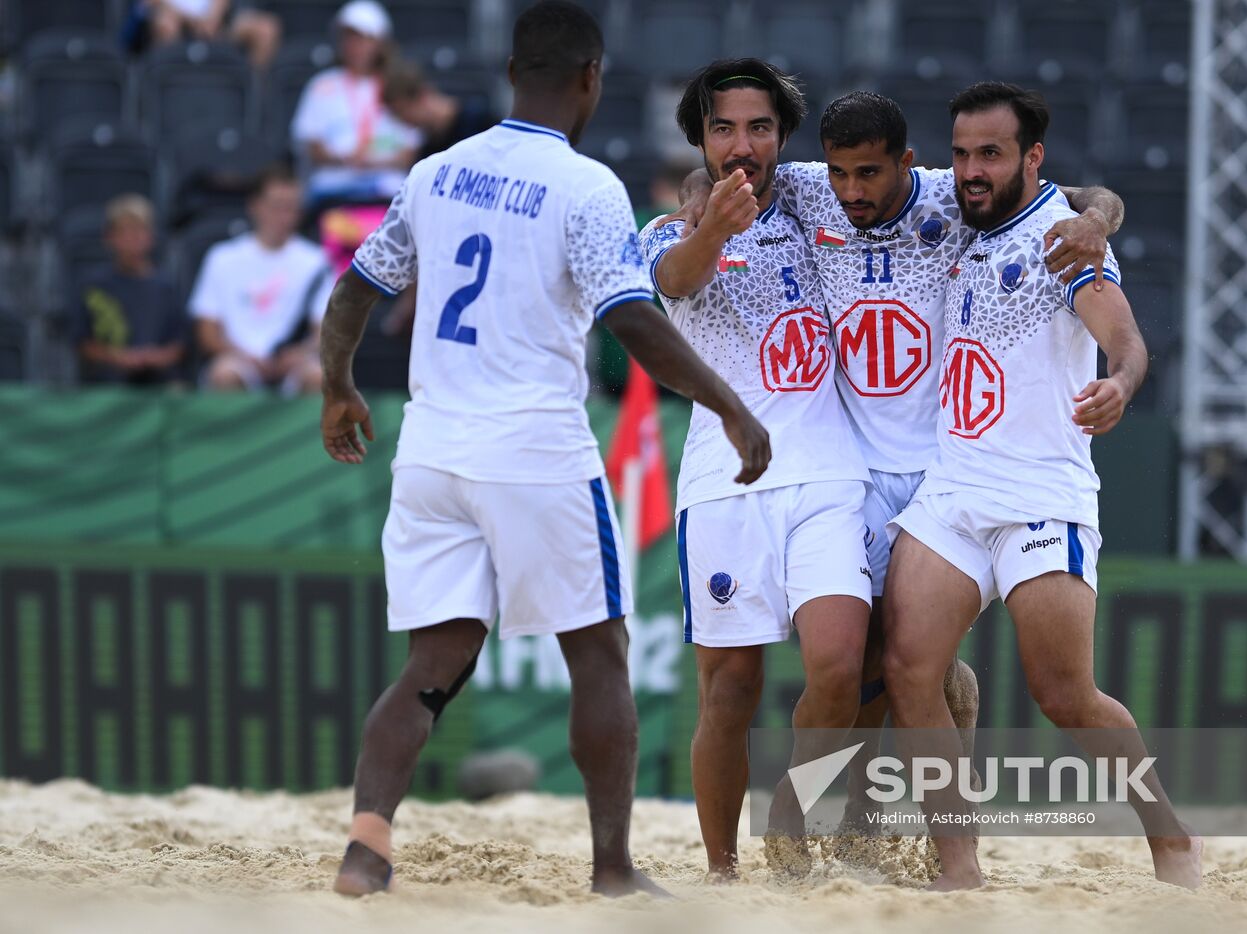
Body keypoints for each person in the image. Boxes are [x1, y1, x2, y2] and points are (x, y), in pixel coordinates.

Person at [317, 0, 770, 898]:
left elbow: (355, 289)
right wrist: (729, 405)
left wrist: (337, 386)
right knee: (597, 653)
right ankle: (612, 869)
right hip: (534, 452)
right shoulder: (585, 185)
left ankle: (367, 851)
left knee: (432, 661)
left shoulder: (436, 171)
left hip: (432, 449)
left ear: (514, 71)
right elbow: (634, 319)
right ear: (591, 78)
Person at [677, 90, 1124, 853]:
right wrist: (694, 194)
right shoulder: (817, 185)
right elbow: (728, 180)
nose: (854, 190)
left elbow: (1077, 197)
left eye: (870, 176)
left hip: (941, 467)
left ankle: (861, 817)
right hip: (852, 459)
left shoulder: (957, 191)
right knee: (864, 666)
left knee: (890, 661)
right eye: (844, 175)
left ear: (907, 165)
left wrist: (1101, 220)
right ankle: (863, 812)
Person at [881, 81, 1202, 890]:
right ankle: (960, 867)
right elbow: (1105, 195)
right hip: (954, 488)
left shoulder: (1067, 239)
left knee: (1065, 696)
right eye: (960, 154)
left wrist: (1122, 386)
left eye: (989, 154)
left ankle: (1169, 838)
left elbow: (1124, 337)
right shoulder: (955, 214)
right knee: (909, 669)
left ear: (1032, 158)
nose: (970, 170)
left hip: (1040, 494)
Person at [641, 58, 873, 882]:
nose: (743, 145)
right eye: (723, 128)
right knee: (729, 692)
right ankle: (722, 872)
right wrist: (710, 224)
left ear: (784, 133)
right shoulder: (671, 233)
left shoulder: (821, 190)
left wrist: (1099, 209)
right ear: (698, 138)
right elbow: (674, 280)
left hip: (830, 473)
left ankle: (793, 810)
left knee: (840, 668)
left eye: (760, 126)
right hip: (725, 482)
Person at [190, 165, 331, 393]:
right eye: (276, 206)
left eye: (292, 208)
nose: (284, 216)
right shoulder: (222, 258)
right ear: (254, 206)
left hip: (294, 363)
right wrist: (243, 356)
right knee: (223, 375)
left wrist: (299, 354)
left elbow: (324, 330)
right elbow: (207, 331)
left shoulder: (316, 261)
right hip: (237, 359)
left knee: (319, 378)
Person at [291, 0, 421, 204]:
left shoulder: (397, 85)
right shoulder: (321, 85)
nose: (355, 46)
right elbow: (311, 147)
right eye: (349, 37)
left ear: (380, 43)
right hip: (333, 193)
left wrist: (370, 162)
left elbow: (408, 152)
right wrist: (345, 159)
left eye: (363, 38)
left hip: (387, 194)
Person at [74, 195, 187, 386]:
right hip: (107, 382)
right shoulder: (94, 286)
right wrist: (119, 358)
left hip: (158, 382)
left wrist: (154, 358)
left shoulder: (166, 287)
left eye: (138, 231)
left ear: (151, 237)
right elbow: (83, 343)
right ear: (109, 237)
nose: (131, 239)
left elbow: (180, 344)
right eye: (123, 232)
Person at [381, 58, 497, 162]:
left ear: (423, 96)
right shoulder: (429, 147)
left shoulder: (480, 121)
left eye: (403, 111)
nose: (405, 121)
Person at [127, 0, 281, 69]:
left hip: (216, 23)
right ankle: (167, 90)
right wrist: (190, 19)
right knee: (165, 24)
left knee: (265, 29)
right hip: (176, 21)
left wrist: (212, 18)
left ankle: (251, 97)